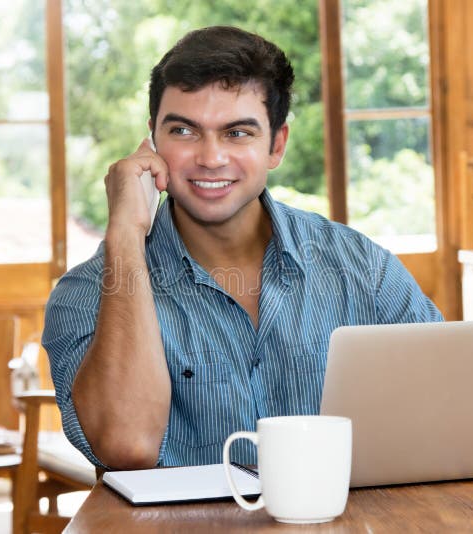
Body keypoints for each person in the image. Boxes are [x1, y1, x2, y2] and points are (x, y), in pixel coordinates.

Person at [42, 26, 442, 470]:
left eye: (237, 133)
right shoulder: (87, 293)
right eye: (184, 131)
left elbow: (449, 406)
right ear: (153, 141)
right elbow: (127, 446)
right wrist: (125, 234)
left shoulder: (366, 271)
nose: (211, 158)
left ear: (277, 145)